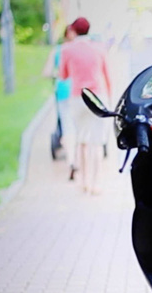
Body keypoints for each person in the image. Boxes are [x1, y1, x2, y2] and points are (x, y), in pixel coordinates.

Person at [59, 17, 113, 195]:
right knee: (97, 143)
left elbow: (63, 75)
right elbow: (107, 76)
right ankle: (96, 183)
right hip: (98, 97)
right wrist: (110, 99)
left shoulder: (67, 49)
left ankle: (83, 181)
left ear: (74, 30)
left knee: (81, 140)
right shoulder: (100, 48)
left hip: (78, 97)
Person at [41, 27, 75, 177]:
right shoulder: (79, 50)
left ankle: (71, 160)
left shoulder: (57, 50)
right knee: (77, 125)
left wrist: (57, 74)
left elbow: (46, 72)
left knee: (67, 126)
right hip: (77, 90)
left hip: (62, 91)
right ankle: (76, 159)